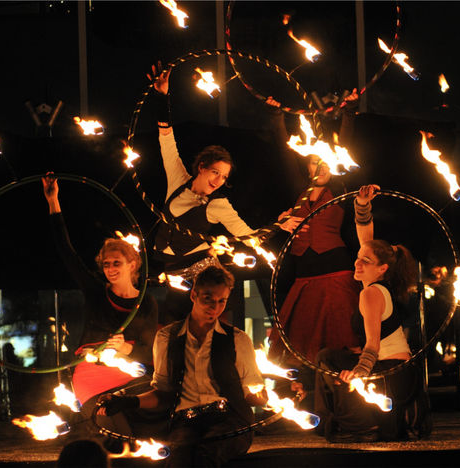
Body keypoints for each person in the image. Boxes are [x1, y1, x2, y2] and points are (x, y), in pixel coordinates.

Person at [147, 65, 301, 325]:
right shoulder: (178, 180)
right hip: (171, 274)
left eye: (224, 178)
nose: (218, 181)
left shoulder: (218, 205)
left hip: (204, 275)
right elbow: (166, 138)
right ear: (202, 167)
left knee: (209, 330)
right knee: (171, 333)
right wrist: (162, 96)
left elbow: (246, 235)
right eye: (216, 172)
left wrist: (278, 224)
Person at [98, 265, 268, 467]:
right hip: (186, 422)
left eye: (222, 301)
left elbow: (254, 393)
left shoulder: (238, 340)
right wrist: (127, 401)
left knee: (206, 454)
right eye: (208, 299)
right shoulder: (166, 338)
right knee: (177, 460)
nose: (215, 307)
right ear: (194, 295)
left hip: (231, 421)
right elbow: (163, 395)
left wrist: (267, 398)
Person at [42, 175, 158, 442]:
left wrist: (125, 348)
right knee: (114, 431)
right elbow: (66, 252)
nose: (110, 269)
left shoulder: (146, 303)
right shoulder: (96, 293)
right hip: (92, 371)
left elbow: (150, 351)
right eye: (106, 264)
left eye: (116, 263)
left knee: (143, 422)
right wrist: (53, 201)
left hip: (130, 376)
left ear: (132, 264)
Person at [264, 98, 360, 406]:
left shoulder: (342, 188)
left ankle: (341, 398)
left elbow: (342, 145)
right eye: (313, 163)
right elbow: (281, 150)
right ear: (306, 166)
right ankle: (305, 397)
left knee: (337, 337)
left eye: (324, 164)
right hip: (304, 274)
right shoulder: (298, 190)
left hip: (335, 270)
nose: (318, 168)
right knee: (302, 339)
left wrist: (347, 115)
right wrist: (278, 115)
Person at [314, 184, 426, 442]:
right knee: (331, 356)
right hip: (401, 373)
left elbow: (374, 344)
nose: (357, 262)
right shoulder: (382, 282)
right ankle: (356, 422)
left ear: (382, 268)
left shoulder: (371, 293)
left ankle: (360, 425)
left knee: (327, 360)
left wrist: (359, 373)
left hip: (390, 375)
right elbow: (368, 243)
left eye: (365, 262)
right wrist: (363, 206)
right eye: (358, 257)